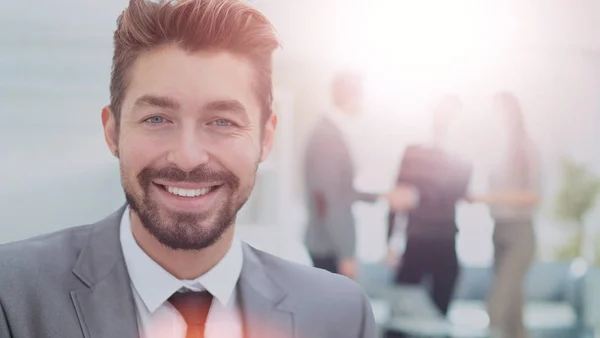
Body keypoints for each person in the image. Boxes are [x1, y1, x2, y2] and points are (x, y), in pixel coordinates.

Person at [0, 1, 378, 337]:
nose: (188, 157)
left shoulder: (340, 316)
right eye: (157, 118)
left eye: (222, 122)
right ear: (112, 131)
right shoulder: (12, 295)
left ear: (265, 138)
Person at [304, 71, 417, 279]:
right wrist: (346, 253)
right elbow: (332, 200)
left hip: (329, 242)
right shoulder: (327, 138)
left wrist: (381, 196)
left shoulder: (330, 133)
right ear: (353, 95)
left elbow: (340, 191)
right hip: (329, 245)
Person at [387, 95, 472, 316]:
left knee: (439, 314)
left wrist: (417, 195)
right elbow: (397, 198)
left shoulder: (462, 159)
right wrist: (389, 242)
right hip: (415, 241)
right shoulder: (413, 153)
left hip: (444, 241)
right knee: (401, 312)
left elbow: (453, 193)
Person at [469, 92, 541, 338]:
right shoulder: (499, 151)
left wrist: (488, 197)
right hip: (498, 229)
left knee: (496, 306)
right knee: (513, 315)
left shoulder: (525, 147)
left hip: (520, 232)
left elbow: (534, 195)